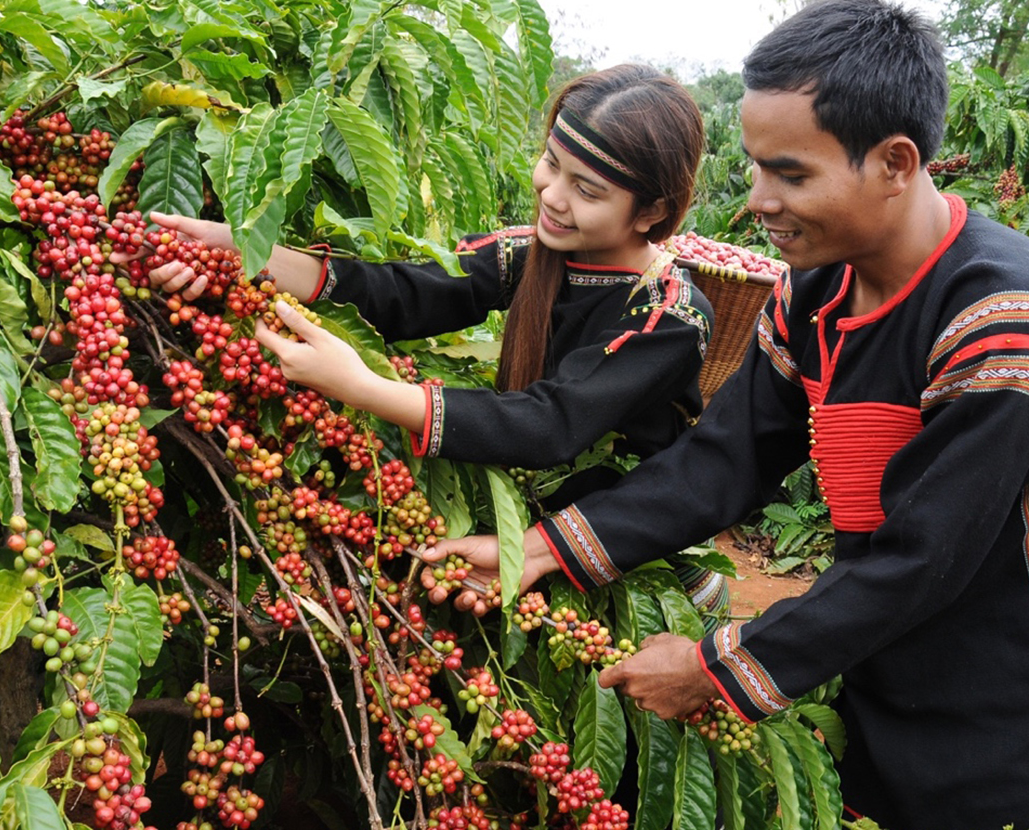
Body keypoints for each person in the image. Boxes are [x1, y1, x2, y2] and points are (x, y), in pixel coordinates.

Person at [423, 2, 1029, 827]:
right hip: (883, 675)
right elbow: (722, 459)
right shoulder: (814, 291)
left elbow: (920, 561)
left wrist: (717, 668)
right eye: (757, 167)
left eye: (791, 174)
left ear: (896, 162)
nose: (757, 201)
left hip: (1020, 718)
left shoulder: (1010, 323)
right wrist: (540, 552)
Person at [134, 64, 730, 616]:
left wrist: (364, 388)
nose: (551, 194)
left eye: (588, 190)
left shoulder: (670, 317)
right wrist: (249, 253)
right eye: (552, 164)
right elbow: (405, 290)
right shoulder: (534, 253)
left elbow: (549, 424)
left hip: (629, 556)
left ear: (651, 212)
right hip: (522, 530)